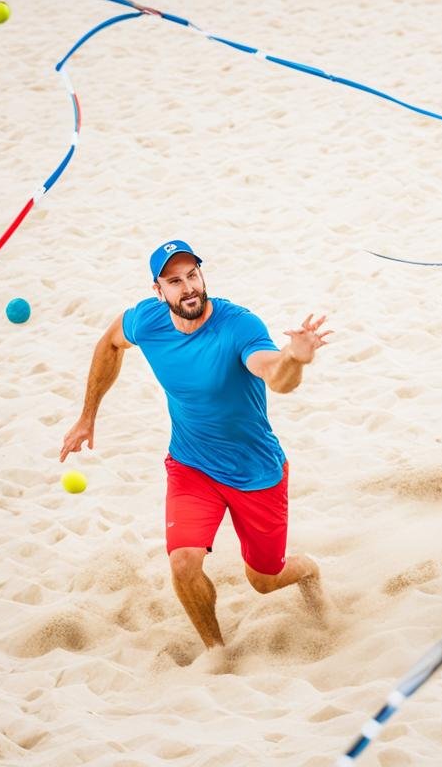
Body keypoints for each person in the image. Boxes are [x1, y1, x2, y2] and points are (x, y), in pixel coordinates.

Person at [59, 239, 331, 648]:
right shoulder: (147, 321)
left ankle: (309, 571)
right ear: (159, 290)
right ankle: (215, 651)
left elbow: (274, 375)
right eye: (174, 281)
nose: (187, 288)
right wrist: (87, 416)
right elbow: (109, 344)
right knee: (183, 562)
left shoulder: (239, 326)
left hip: (255, 472)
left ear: (202, 276)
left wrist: (295, 358)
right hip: (192, 465)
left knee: (264, 579)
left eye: (192, 276)